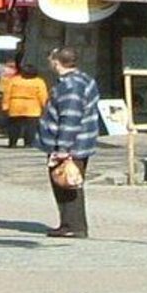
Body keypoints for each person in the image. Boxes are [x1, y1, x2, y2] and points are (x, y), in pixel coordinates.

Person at [38, 47, 102, 239]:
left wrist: (63, 149)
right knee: (69, 182)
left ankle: (73, 226)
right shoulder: (84, 79)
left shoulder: (70, 86)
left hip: (71, 146)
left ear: (56, 62)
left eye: (51, 59)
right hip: (82, 142)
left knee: (66, 183)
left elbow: (70, 117)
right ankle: (70, 224)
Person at [2, 62, 50, 150]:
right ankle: (28, 143)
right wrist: (45, 106)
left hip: (16, 105)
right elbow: (43, 95)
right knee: (31, 126)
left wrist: (5, 105)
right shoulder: (39, 82)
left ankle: (12, 142)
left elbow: (7, 93)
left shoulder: (14, 80)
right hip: (32, 107)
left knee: (14, 125)